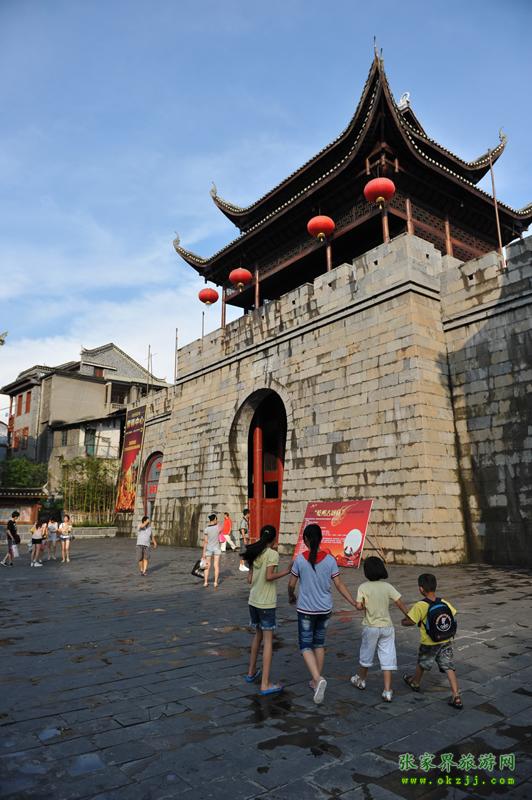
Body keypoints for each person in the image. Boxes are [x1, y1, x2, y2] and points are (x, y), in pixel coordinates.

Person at [288, 524, 358, 705]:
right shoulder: (330, 560)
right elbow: (339, 584)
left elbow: (291, 584)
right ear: (321, 539)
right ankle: (315, 681)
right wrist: (353, 602)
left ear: (305, 540)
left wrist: (291, 596)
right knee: (319, 644)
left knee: (305, 646)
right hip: (324, 609)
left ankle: (318, 679)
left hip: (306, 610)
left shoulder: (299, 560)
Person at [350, 556, 410, 702]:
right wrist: (409, 616)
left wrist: (360, 605)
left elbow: (359, 606)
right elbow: (399, 603)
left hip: (371, 627)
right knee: (388, 657)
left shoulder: (363, 587)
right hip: (387, 627)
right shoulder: (387, 586)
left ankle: (361, 680)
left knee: (366, 655)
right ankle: (387, 691)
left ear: (366, 572)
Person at [401, 572, 462, 709]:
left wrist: (403, 622)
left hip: (429, 642)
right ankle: (456, 696)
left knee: (422, 662)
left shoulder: (420, 605)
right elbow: (453, 613)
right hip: (445, 639)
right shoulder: (443, 602)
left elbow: (411, 621)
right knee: (449, 666)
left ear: (421, 589)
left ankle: (415, 682)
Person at [243, 525, 291, 695]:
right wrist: (287, 571)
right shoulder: (272, 554)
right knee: (268, 641)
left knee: (258, 635)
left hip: (253, 601)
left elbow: (249, 579)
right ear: (274, 540)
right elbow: (269, 576)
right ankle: (265, 684)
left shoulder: (255, 552)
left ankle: (251, 672)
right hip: (266, 603)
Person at [202, 513, 222, 587]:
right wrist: (217, 524)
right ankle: (215, 582)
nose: (217, 520)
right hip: (216, 548)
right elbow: (221, 529)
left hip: (209, 548)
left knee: (207, 566)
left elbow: (205, 542)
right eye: (216, 519)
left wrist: (203, 553)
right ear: (214, 519)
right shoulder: (218, 528)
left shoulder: (206, 529)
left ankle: (205, 582)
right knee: (216, 565)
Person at [238, 508, 250, 572]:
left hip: (244, 538)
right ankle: (242, 565)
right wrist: (245, 539)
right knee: (243, 552)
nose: (249, 515)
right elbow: (242, 530)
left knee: (244, 551)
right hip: (243, 538)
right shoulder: (243, 521)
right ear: (247, 514)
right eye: (249, 514)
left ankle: (241, 565)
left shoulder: (245, 520)